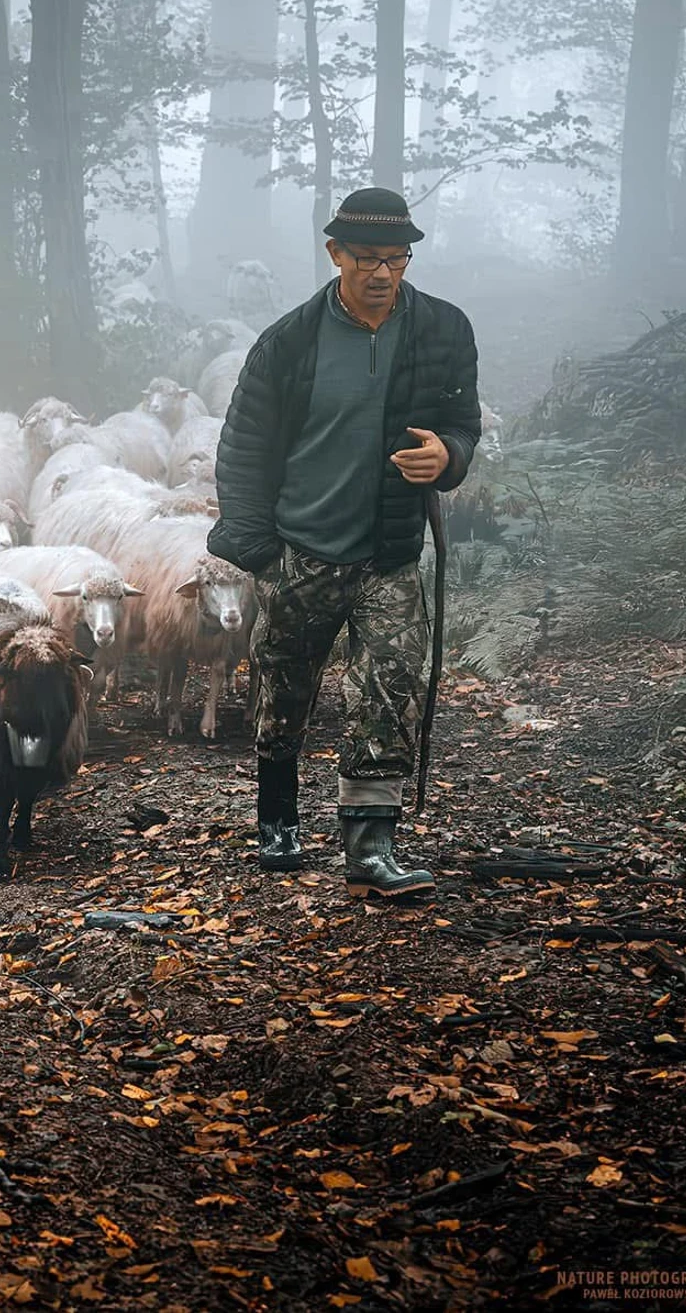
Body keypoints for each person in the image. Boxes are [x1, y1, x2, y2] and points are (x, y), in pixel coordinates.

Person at [209, 188, 482, 900]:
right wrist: (257, 551)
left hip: (388, 550)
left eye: (395, 258)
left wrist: (447, 458)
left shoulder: (443, 330)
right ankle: (277, 822)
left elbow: (460, 422)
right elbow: (242, 450)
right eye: (365, 258)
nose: (382, 273)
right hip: (298, 547)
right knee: (282, 688)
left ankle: (369, 848)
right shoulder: (287, 342)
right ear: (334, 255)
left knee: (385, 690)